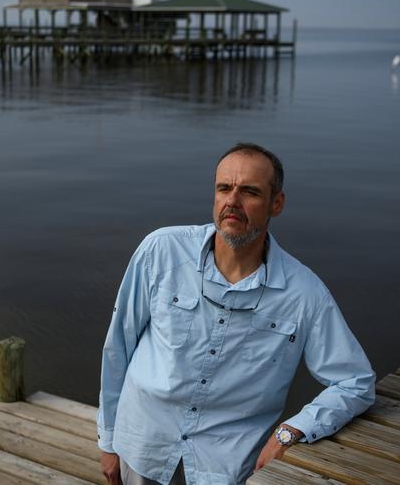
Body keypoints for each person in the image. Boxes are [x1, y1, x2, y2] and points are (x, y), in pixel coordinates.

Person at [97, 143, 375, 484]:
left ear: (277, 204)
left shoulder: (304, 294)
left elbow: (355, 382)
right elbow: (118, 348)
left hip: (226, 467)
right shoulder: (161, 252)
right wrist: (108, 441)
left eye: (249, 192)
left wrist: (291, 431)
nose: (232, 201)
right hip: (141, 448)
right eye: (224, 188)